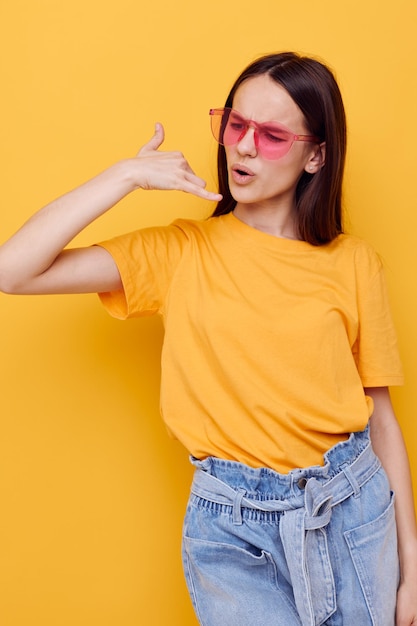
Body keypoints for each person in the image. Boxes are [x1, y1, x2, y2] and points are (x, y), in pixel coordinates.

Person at [0, 51, 416, 626]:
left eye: (271, 135)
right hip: (231, 526)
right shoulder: (180, 252)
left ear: (316, 154)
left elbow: (382, 420)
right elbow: (11, 271)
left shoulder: (355, 263)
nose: (243, 146)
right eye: (234, 125)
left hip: (350, 507)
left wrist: (411, 573)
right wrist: (124, 176)